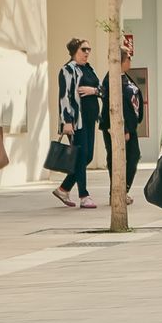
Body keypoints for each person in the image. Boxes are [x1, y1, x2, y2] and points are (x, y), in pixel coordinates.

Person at [53, 38, 101, 208]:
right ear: (74, 51)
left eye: (89, 49)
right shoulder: (68, 70)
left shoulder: (89, 69)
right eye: (83, 49)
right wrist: (67, 121)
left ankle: (64, 188)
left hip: (90, 119)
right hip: (76, 122)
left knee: (86, 157)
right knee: (81, 156)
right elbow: (65, 96)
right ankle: (84, 195)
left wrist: (93, 90)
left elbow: (102, 88)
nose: (87, 53)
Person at [100, 47, 143, 205]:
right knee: (118, 160)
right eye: (128, 58)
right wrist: (120, 130)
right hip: (118, 128)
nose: (130, 61)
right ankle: (117, 193)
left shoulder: (125, 77)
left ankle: (122, 191)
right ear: (120, 61)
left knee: (133, 157)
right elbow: (110, 106)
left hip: (130, 127)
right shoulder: (111, 79)